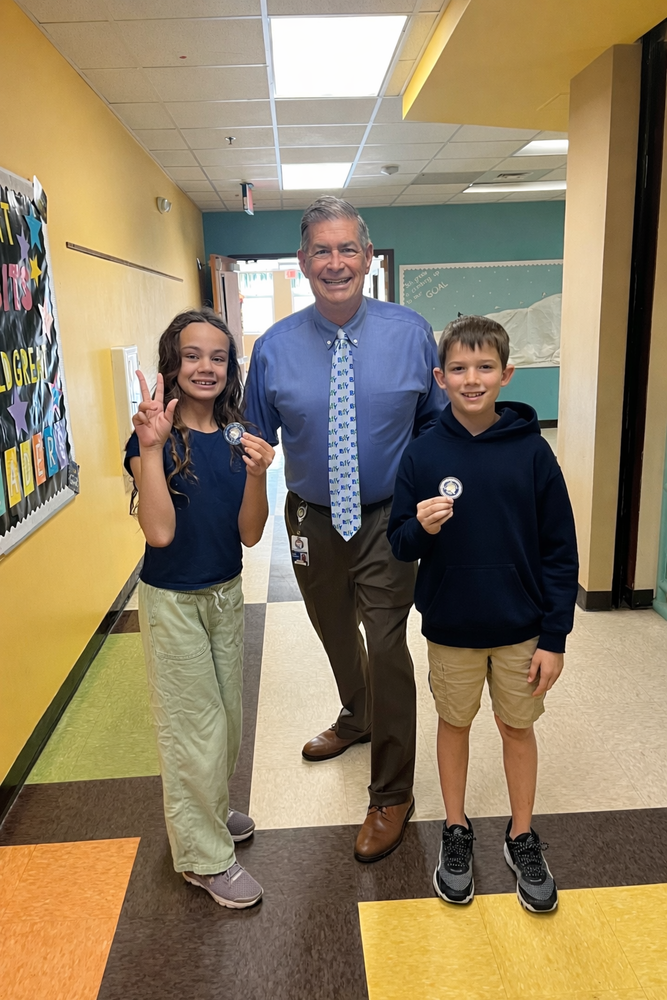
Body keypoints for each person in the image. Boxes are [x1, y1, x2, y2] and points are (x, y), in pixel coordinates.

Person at [244, 196, 445, 863]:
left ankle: (390, 793)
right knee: (333, 629)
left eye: (347, 249)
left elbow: (436, 428)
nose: (335, 263)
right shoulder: (272, 348)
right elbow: (249, 437)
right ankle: (357, 717)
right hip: (310, 520)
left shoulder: (411, 332)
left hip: (389, 518)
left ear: (367, 257)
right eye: (321, 251)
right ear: (303, 262)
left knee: (386, 645)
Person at [388, 315, 578, 912]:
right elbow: (398, 543)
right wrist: (418, 526)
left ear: (506, 374)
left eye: (485, 368)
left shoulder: (533, 454)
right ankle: (455, 827)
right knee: (454, 723)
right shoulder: (421, 455)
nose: (473, 380)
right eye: (460, 369)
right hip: (452, 629)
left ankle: (521, 833)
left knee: (517, 727)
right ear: (440, 378)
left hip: (522, 629)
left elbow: (560, 550)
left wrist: (555, 636)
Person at [125, 307, 274, 909]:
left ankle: (208, 812)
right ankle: (203, 858)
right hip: (173, 603)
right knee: (195, 732)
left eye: (218, 356)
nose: (206, 366)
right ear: (172, 362)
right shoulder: (152, 436)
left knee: (228, 721)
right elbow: (158, 532)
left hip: (225, 594)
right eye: (192, 355)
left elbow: (251, 534)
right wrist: (153, 449)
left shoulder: (237, 436)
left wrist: (262, 475)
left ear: (230, 367)